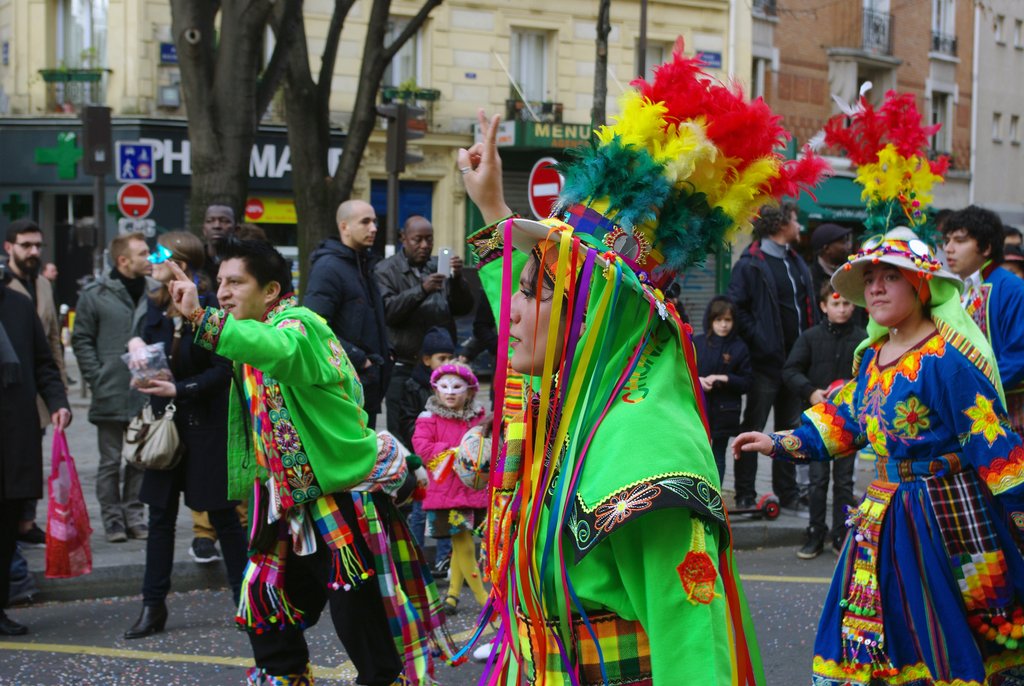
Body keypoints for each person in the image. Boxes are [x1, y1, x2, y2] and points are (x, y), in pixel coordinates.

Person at [455, 43, 828, 682]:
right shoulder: (571, 402)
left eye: (535, 290)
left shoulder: (644, 448)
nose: (512, 308)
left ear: (597, 318)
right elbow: (533, 315)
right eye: (520, 288)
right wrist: (494, 208)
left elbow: (696, 655)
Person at [734, 227, 1024, 684]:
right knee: (871, 634)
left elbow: (994, 446)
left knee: (949, 633)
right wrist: (779, 442)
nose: (875, 287)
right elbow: (842, 421)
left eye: (890, 277)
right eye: (870, 279)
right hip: (882, 516)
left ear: (920, 286)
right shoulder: (872, 359)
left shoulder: (946, 359)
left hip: (945, 518)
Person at [165, 239, 454, 686]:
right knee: (266, 601)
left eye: (235, 282)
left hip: (335, 497)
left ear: (271, 290)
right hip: (282, 499)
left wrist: (201, 317)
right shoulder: (252, 335)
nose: (222, 292)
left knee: (357, 611)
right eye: (219, 282)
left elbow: (280, 352)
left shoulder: (299, 326)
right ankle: (285, 677)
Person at [121, 232, 247, 639]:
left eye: (159, 256)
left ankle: (246, 601)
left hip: (205, 430)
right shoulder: (155, 308)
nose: (151, 262)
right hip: (164, 430)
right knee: (160, 519)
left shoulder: (209, 310)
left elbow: (224, 371)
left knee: (224, 518)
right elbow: (152, 364)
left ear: (182, 264)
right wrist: (139, 356)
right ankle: (152, 606)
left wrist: (181, 388)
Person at [728, 203, 815, 510]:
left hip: (794, 365)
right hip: (765, 365)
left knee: (789, 431)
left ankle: (788, 493)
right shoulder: (750, 263)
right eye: (795, 220)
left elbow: (806, 305)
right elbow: (736, 309)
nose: (799, 227)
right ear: (780, 224)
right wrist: (763, 342)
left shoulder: (795, 260)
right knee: (754, 429)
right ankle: (746, 493)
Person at [0, 265, 71, 635]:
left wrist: (58, 401)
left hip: (15, 433)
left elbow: (44, 363)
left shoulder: (17, 305)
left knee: (9, 522)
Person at [71, 232, 150, 542]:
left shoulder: (153, 291)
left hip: (145, 391)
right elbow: (82, 339)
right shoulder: (95, 294)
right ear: (123, 260)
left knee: (140, 458)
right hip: (111, 389)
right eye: (142, 253)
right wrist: (97, 376)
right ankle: (113, 521)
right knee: (109, 461)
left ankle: (135, 515)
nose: (149, 258)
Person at [781, 282, 865, 559]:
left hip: (848, 423)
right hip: (818, 423)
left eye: (846, 304)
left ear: (853, 306)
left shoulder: (862, 339)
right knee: (817, 481)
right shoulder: (810, 337)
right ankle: (815, 532)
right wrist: (811, 391)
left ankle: (841, 533)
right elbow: (791, 370)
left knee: (844, 482)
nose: (841, 309)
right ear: (823, 306)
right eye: (836, 304)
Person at [375, 216, 474, 439]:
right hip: (402, 366)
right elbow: (388, 312)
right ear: (403, 238)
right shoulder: (385, 270)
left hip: (439, 371)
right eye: (417, 240)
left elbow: (463, 308)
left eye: (429, 240)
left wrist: (458, 280)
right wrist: (422, 289)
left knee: (439, 433)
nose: (424, 246)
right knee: (402, 434)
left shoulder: (437, 267)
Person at [3, 221, 65, 551]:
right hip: (13, 398)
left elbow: (50, 342)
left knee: (27, 466)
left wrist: (59, 395)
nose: (34, 252)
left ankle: (24, 522)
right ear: (8, 247)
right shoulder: (10, 287)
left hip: (31, 398)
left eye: (38, 245)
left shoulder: (38, 288)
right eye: (27, 245)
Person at [303, 200, 391, 427]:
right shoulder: (329, 268)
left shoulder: (362, 264)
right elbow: (314, 326)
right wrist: (361, 360)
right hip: (345, 387)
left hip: (366, 387)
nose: (373, 228)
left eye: (375, 221)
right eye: (365, 222)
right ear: (344, 227)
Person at [412, 363, 488, 616]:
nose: (450, 392)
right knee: (463, 541)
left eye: (457, 387)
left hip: (472, 492)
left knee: (460, 543)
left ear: (470, 390)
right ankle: (484, 598)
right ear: (435, 390)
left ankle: (453, 596)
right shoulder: (428, 418)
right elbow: (421, 447)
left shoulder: (479, 417)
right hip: (446, 494)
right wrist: (456, 450)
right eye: (444, 387)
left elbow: (488, 444)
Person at [942, 205, 1024, 437]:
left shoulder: (1012, 289)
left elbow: (1018, 357)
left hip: (1009, 408)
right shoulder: (959, 291)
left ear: (986, 247)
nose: (949, 249)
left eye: (959, 241)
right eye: (947, 241)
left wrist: (971, 392)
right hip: (970, 407)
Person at [396, 326, 455, 573]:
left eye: (450, 358)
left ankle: (444, 557)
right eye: (442, 358)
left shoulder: (451, 385)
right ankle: (416, 556)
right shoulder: (413, 385)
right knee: (420, 511)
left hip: (444, 461)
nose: (447, 363)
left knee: (445, 510)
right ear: (426, 359)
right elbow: (407, 421)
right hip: (423, 458)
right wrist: (425, 444)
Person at [693, 296, 752, 483]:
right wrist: (699, 381)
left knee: (718, 454)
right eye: (719, 320)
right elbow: (685, 370)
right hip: (700, 409)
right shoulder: (699, 343)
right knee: (697, 453)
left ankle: (715, 492)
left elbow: (746, 382)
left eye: (728, 320)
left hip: (725, 412)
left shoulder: (739, 347)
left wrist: (723, 378)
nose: (723, 325)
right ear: (711, 321)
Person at [808, 223, 853, 298]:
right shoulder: (810, 278)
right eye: (843, 242)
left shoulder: (851, 271)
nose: (848, 246)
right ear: (827, 249)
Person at [199, 204, 237, 286]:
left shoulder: (244, 259)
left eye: (224, 221)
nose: (216, 226)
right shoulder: (195, 259)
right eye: (210, 221)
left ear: (236, 229)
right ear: (204, 229)